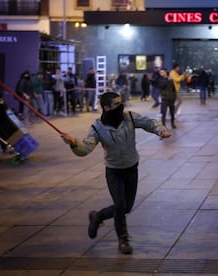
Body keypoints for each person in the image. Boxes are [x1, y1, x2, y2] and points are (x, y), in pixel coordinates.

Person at [60, 92, 171, 254]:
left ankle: (97, 216)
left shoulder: (130, 118)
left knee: (126, 208)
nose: (121, 106)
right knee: (120, 205)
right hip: (114, 171)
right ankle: (123, 239)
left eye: (121, 102)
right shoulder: (97, 127)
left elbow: (149, 122)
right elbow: (86, 148)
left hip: (132, 168)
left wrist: (161, 131)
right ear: (106, 107)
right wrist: (73, 143)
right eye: (117, 103)